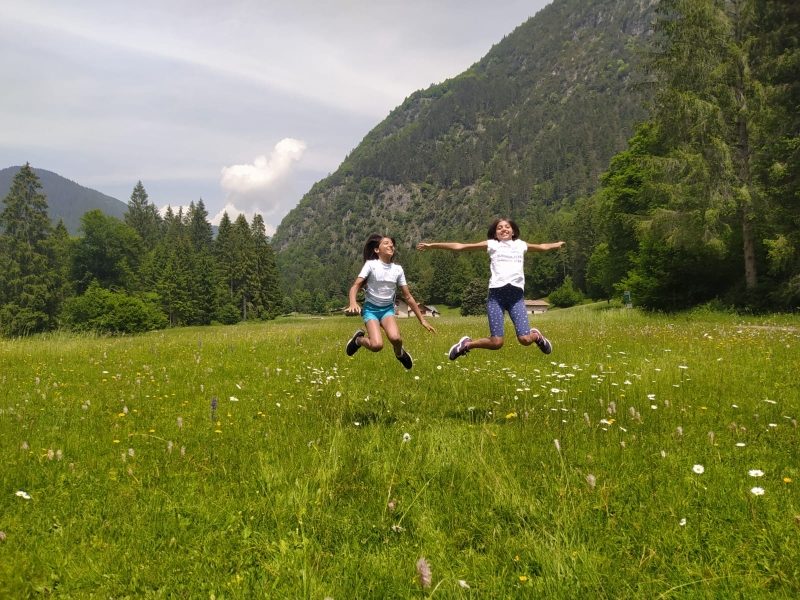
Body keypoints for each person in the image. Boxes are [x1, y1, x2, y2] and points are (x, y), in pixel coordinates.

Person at [416, 218, 565, 360]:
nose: (503, 229)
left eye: (507, 227)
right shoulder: (492, 244)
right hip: (496, 297)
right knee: (496, 342)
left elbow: (542, 247)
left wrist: (556, 244)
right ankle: (466, 345)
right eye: (499, 228)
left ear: (513, 231)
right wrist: (432, 245)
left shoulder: (521, 245)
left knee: (525, 339)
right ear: (495, 234)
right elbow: (460, 247)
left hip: (516, 298)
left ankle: (537, 336)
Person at [345, 234, 436, 369]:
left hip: (387, 310)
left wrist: (422, 320)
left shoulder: (397, 269)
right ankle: (358, 340)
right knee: (377, 345)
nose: (391, 245)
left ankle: (399, 354)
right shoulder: (371, 265)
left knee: (396, 339)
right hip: (371, 310)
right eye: (386, 243)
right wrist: (353, 302)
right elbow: (355, 286)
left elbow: (408, 297)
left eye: (392, 244)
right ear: (377, 250)